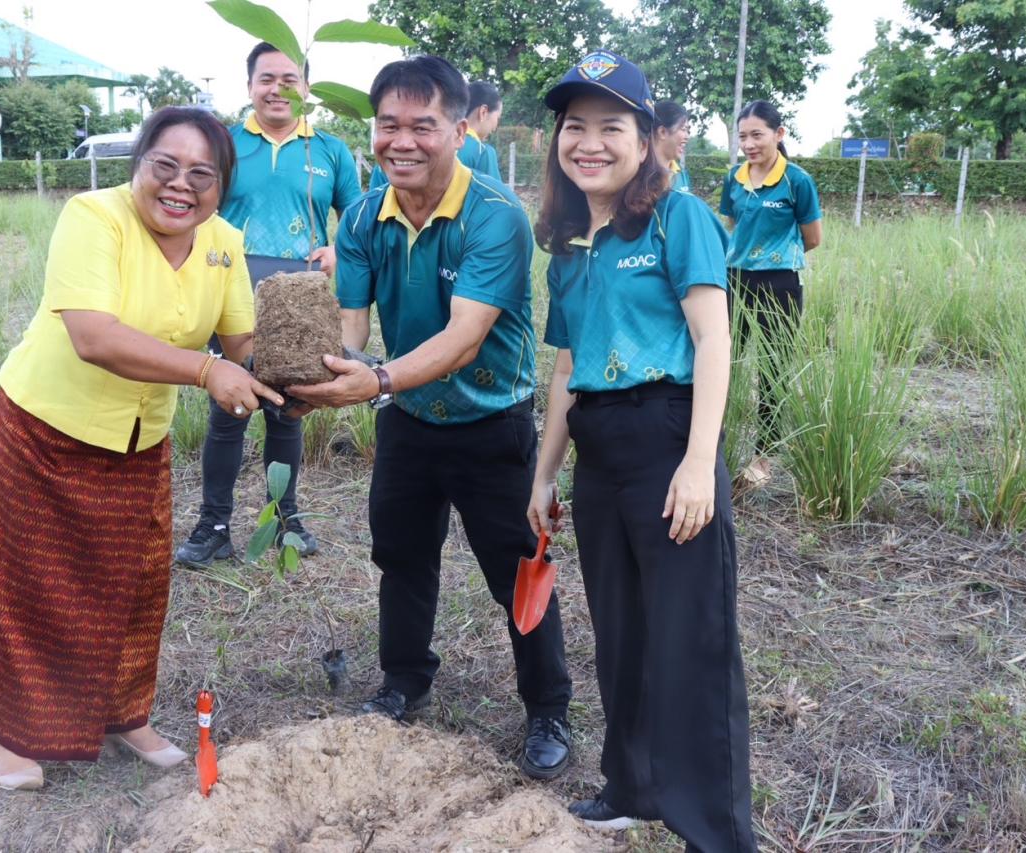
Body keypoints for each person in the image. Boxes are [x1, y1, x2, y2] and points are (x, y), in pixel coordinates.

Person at [0, 107, 283, 790]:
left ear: (222, 186)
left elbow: (243, 346)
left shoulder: (224, 243)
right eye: (164, 166)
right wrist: (205, 372)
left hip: (140, 435)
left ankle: (124, 715)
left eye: (201, 174)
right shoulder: (95, 217)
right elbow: (94, 335)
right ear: (138, 165)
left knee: (138, 583)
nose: (181, 186)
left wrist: (306, 367)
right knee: (30, 582)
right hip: (49, 424)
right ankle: (13, 737)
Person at [289, 55, 573, 781]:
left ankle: (548, 707)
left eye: (424, 125)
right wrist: (314, 376)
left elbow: (463, 336)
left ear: (458, 128)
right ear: (373, 130)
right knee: (402, 556)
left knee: (516, 571)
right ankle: (403, 679)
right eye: (389, 125)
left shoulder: (496, 216)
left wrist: (374, 377)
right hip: (409, 420)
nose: (402, 142)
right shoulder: (361, 217)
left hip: (492, 424)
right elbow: (352, 327)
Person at [528, 51, 757, 850]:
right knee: (620, 629)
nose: (589, 143)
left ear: (648, 137)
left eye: (611, 127)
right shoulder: (565, 246)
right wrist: (546, 468)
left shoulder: (678, 216)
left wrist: (700, 461)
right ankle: (631, 785)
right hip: (600, 450)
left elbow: (713, 338)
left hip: (667, 437)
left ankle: (716, 830)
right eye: (575, 127)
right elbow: (565, 366)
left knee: (690, 637)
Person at [175, 42, 362, 566]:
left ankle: (287, 519)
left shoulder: (328, 149)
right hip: (232, 291)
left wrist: (336, 248)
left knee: (288, 408)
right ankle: (213, 526)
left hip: (300, 300)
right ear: (249, 86)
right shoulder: (225, 144)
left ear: (307, 87)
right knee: (230, 406)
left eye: (289, 79)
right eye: (266, 79)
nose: (277, 89)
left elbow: (357, 216)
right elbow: (195, 208)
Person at [719, 100, 822, 486]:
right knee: (721, 364)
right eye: (742, 136)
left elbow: (812, 238)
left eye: (757, 135)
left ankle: (764, 456)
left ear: (779, 134)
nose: (749, 143)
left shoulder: (797, 181)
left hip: (780, 285)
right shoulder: (734, 178)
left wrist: (775, 257)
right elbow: (734, 224)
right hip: (734, 281)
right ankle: (712, 444)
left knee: (773, 372)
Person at [368, 79, 503, 188]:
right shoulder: (482, 152)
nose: (495, 127)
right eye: (497, 117)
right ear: (483, 112)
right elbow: (496, 203)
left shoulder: (388, 158)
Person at [653, 99, 692, 193]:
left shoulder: (682, 175)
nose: (687, 137)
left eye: (688, 131)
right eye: (683, 129)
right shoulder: (635, 174)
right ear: (662, 132)